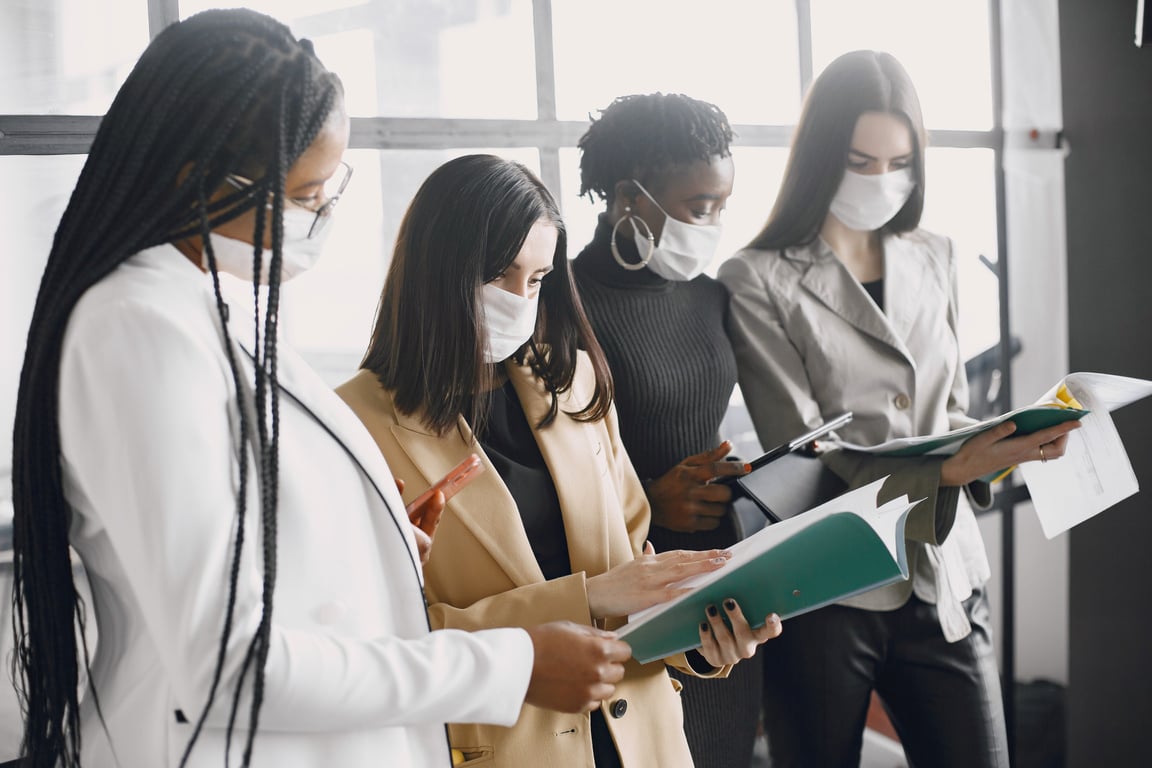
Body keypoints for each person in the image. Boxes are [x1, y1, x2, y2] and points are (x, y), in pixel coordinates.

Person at [9, 11, 633, 768]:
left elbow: (253, 554)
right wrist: (511, 665)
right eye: (305, 196)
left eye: (328, 190)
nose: (321, 219)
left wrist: (365, 539)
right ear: (194, 177)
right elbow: (230, 663)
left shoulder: (216, 306)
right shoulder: (141, 328)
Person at [336, 153, 782, 768]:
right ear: (435, 272)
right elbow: (379, 645)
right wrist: (588, 596)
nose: (520, 300)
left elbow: (634, 574)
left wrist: (700, 640)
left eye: (539, 277)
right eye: (500, 276)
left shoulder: (569, 381)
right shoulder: (352, 424)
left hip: (642, 744)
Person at [718, 50, 1080, 768]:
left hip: (943, 574)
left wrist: (1012, 444)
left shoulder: (935, 255)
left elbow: (950, 413)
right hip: (830, 592)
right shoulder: (757, 278)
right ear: (822, 156)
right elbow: (803, 459)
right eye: (859, 160)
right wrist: (947, 472)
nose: (879, 181)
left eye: (897, 162)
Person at [570, 92, 763, 768]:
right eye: (699, 207)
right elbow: (536, 482)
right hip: (627, 592)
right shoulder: (561, 303)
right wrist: (651, 497)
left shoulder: (711, 296)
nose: (713, 224)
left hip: (720, 591)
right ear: (630, 197)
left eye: (722, 206)